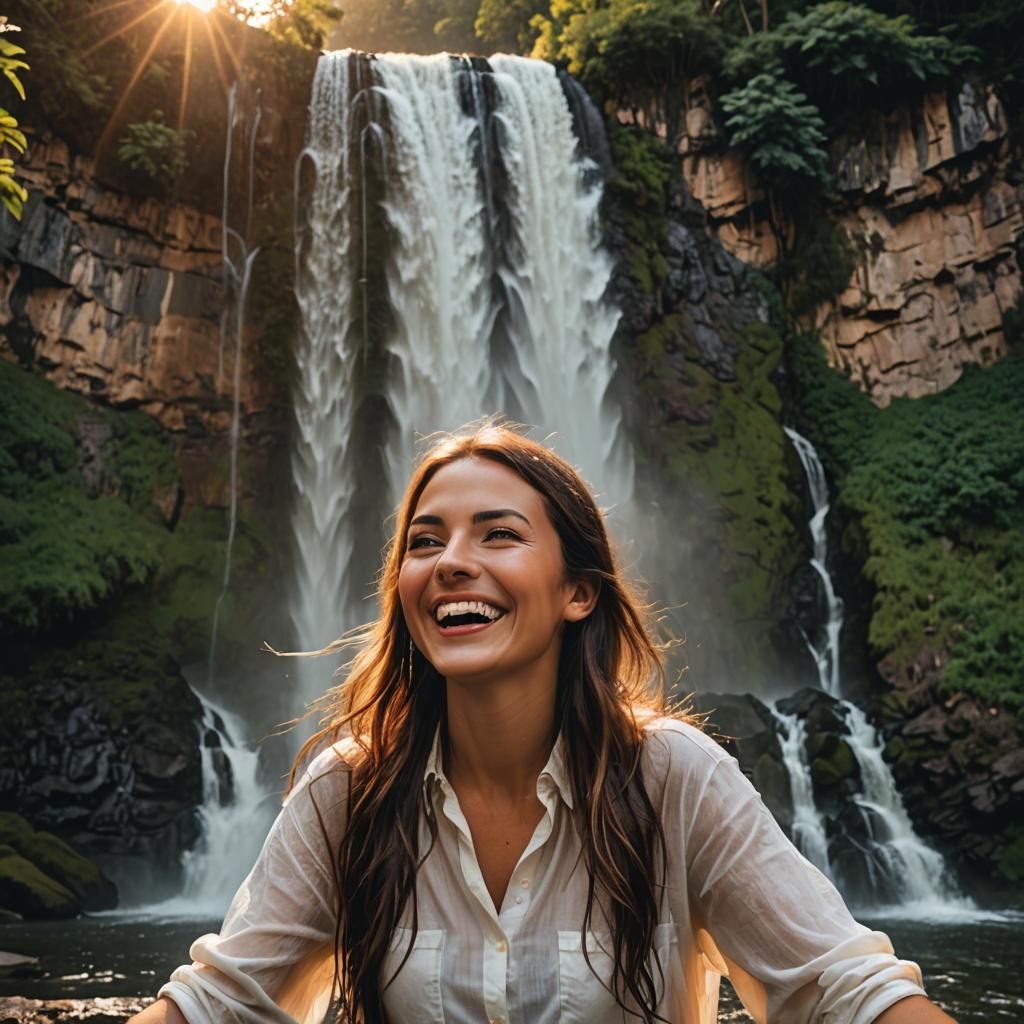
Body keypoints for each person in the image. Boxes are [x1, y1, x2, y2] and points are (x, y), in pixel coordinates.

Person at [132, 423, 956, 1024]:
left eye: (500, 534)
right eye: (426, 542)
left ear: (579, 590)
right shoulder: (350, 791)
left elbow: (846, 990)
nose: (452, 560)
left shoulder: (675, 777)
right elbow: (216, 1002)